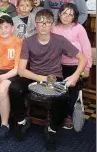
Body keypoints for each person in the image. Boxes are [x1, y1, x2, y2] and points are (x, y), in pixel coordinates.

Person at [9, 9, 87, 150]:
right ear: (36, 25)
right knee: (14, 88)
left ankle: (52, 129)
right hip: (34, 76)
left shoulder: (60, 40)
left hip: (54, 77)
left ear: (52, 25)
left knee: (63, 97)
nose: (44, 25)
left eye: (47, 22)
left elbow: (83, 58)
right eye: (40, 22)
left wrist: (75, 75)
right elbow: (21, 70)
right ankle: (21, 122)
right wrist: (42, 78)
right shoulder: (27, 42)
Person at [52, 3, 92, 129]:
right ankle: (60, 115)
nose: (67, 16)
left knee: (72, 92)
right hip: (59, 66)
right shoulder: (54, 28)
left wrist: (87, 66)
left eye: (70, 15)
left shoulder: (79, 28)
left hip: (76, 65)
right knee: (60, 92)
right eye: (64, 13)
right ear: (59, 14)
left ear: (74, 17)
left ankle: (69, 116)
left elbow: (86, 48)